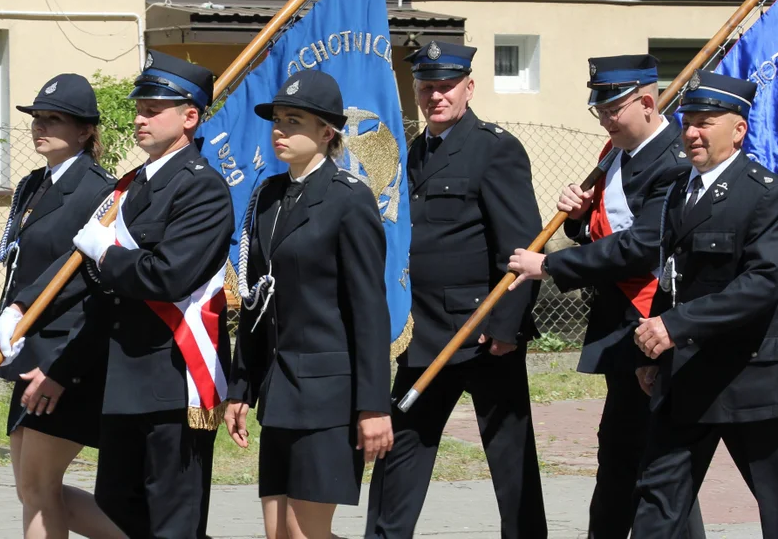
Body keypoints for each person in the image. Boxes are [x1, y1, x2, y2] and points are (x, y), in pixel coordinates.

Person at [508, 54, 704, 539]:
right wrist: (576, 217)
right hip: (622, 325)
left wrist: (549, 266)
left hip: (655, 320)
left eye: (614, 108)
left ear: (646, 101)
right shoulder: (615, 153)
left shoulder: (674, 162)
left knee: (654, 460)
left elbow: (642, 247)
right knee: (622, 452)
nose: (606, 119)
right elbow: (599, 231)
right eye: (600, 110)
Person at [365, 41, 548, 539]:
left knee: (511, 462)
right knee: (400, 451)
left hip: (483, 334)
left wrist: (506, 326)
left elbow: (519, 247)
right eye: (427, 87)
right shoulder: (411, 150)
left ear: (469, 86)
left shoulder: (495, 148)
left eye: (446, 86)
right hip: (424, 333)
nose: (436, 96)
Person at [631, 70, 778, 539]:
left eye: (706, 122)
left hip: (752, 377)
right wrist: (654, 350)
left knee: (777, 502)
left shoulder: (768, 196)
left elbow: (762, 284)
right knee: (658, 494)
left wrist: (676, 326)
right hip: (685, 373)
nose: (691, 132)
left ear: (739, 129)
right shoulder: (677, 191)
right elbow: (671, 278)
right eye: (688, 121)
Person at [224, 70, 394, 539]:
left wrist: (374, 406)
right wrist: (242, 387)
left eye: (293, 121)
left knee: (305, 532)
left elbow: (370, 312)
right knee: (278, 532)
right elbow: (259, 303)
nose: (279, 130)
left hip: (329, 396)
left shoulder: (349, 200)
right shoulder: (268, 198)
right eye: (277, 119)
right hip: (280, 392)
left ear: (327, 132)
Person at [72, 50, 234, 539]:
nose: (140, 118)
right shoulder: (133, 185)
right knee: (117, 510)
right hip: (123, 377)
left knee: (173, 519)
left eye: (153, 109)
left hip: (170, 376)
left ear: (190, 117)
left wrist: (106, 255)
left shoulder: (202, 189)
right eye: (139, 108)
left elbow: (167, 276)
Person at [0, 73, 122, 539]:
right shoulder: (35, 184)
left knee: (39, 486)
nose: (41, 127)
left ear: (85, 131)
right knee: (32, 488)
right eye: (37, 118)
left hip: (65, 355)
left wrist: (26, 318)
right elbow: (23, 264)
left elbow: (87, 276)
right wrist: (7, 317)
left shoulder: (100, 192)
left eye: (54, 119)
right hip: (29, 350)